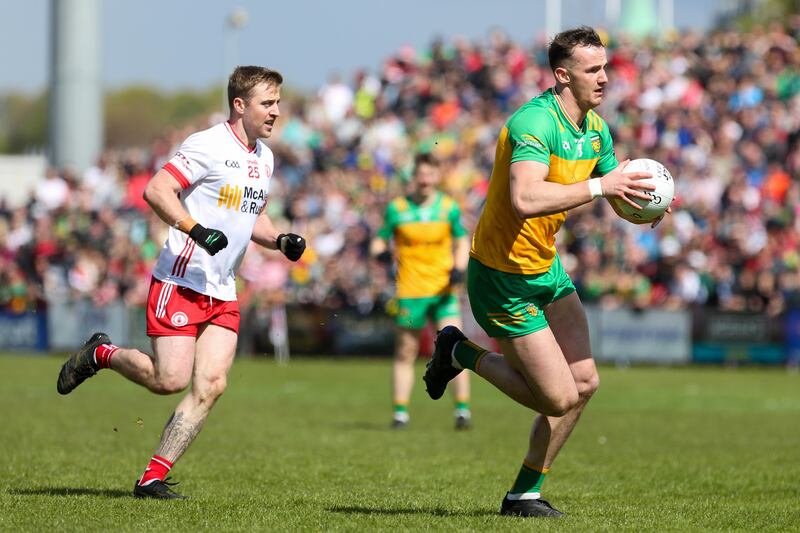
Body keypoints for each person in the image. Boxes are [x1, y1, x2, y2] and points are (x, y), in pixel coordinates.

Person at [422, 26, 664, 517]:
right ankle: (459, 351)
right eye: (592, 70)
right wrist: (602, 186)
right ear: (562, 75)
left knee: (586, 382)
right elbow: (526, 198)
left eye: (605, 67)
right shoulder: (535, 122)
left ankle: (524, 494)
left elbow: (616, 190)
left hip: (544, 266)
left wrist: (645, 203)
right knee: (557, 398)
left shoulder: (596, 129)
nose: (604, 77)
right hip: (501, 275)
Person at [56, 66, 306, 499]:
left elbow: (253, 219)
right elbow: (157, 190)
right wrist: (194, 230)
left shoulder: (264, 158)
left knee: (212, 384)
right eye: (268, 103)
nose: (276, 112)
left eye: (278, 103)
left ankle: (151, 478)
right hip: (182, 279)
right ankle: (101, 353)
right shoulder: (207, 144)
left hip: (223, 289)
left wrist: (279, 238)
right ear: (239, 105)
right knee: (168, 380)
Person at [371, 153, 472, 430]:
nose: (425, 179)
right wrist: (382, 257)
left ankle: (462, 410)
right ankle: (400, 413)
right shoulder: (397, 209)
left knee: (457, 348)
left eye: (430, 174)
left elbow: (462, 240)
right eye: (421, 174)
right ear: (413, 177)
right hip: (411, 290)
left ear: (436, 177)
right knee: (406, 351)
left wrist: (459, 268)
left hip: (443, 290)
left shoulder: (449, 208)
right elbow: (378, 243)